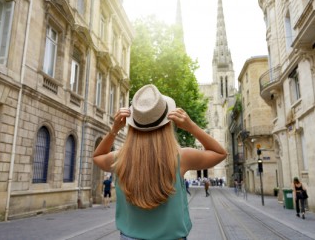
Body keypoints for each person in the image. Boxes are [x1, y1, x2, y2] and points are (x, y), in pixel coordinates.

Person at [93, 84, 227, 240]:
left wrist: (114, 129)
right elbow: (220, 153)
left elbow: (98, 156)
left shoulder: (120, 158)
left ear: (133, 125)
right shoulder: (181, 157)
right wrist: (191, 126)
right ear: (167, 123)